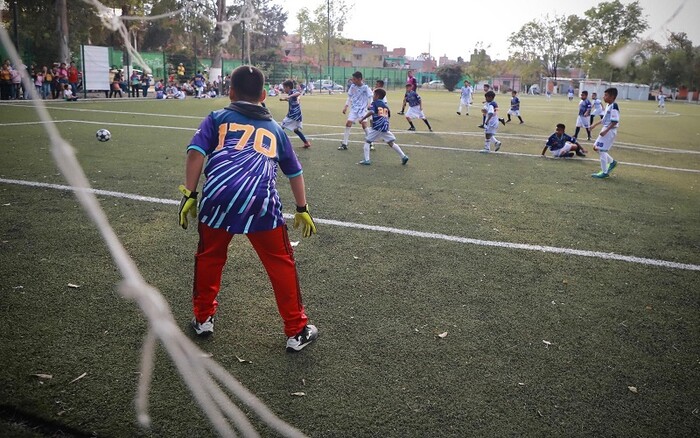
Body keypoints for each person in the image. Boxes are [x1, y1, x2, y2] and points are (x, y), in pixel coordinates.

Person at [177, 65, 318, 352]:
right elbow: (294, 173)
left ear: (230, 92)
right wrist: (302, 208)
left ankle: (203, 318)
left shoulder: (217, 117)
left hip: (217, 197)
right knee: (280, 262)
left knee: (209, 257)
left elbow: (195, 153)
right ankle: (296, 329)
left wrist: (189, 194)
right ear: (264, 95)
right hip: (260, 202)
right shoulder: (276, 130)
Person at [356, 88, 409, 166]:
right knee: (390, 142)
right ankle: (403, 156)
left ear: (377, 96)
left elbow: (371, 111)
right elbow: (388, 115)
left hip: (377, 127)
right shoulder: (385, 105)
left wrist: (363, 119)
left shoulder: (374, 103)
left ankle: (367, 160)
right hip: (385, 127)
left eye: (374, 95)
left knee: (367, 141)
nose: (373, 96)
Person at [590, 87, 620, 179]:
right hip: (606, 128)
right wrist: (595, 125)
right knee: (596, 148)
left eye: (606, 95)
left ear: (612, 97)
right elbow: (604, 120)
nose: (604, 97)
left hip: (609, 130)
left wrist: (606, 131)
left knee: (601, 150)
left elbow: (615, 121)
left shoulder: (614, 106)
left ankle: (604, 172)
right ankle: (612, 162)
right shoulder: (608, 106)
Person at [338, 71, 373, 150]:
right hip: (354, 109)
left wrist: (370, 105)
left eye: (354, 79)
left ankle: (371, 142)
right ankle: (344, 143)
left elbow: (370, 96)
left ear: (359, 79)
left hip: (362, 109)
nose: (353, 81)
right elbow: (349, 97)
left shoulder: (365, 88)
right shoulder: (353, 86)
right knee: (348, 124)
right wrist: (346, 106)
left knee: (364, 125)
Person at [279, 79, 311, 148]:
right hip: (297, 115)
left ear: (288, 87)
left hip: (293, 115)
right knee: (296, 130)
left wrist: (289, 96)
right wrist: (284, 99)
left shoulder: (292, 92)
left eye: (284, 87)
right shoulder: (291, 94)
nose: (284, 89)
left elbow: (298, 93)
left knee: (280, 128)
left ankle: (278, 143)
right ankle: (306, 143)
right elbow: (292, 101)